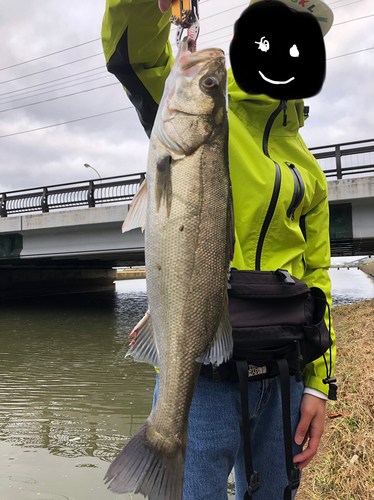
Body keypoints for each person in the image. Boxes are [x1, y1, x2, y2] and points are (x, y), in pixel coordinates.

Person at [101, 0, 336, 498]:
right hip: (203, 381)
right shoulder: (204, 119)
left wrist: (317, 385)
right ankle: (162, 436)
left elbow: (318, 277)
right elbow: (134, 54)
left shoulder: (310, 170)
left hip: (285, 381)